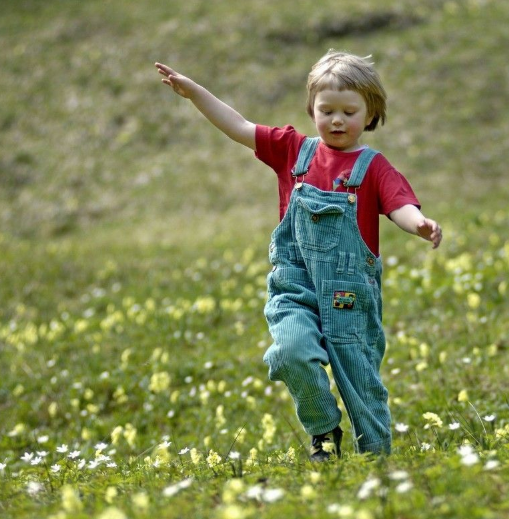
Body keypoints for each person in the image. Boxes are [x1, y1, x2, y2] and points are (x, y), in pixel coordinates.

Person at [155, 50, 442, 460]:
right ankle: (323, 432)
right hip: (294, 285)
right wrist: (195, 93)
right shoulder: (292, 151)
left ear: (370, 114)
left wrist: (420, 224)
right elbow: (237, 126)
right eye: (327, 110)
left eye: (349, 111)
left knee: (361, 383)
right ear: (312, 109)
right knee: (289, 352)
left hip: (349, 295)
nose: (337, 120)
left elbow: (399, 206)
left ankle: (378, 460)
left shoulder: (374, 168)